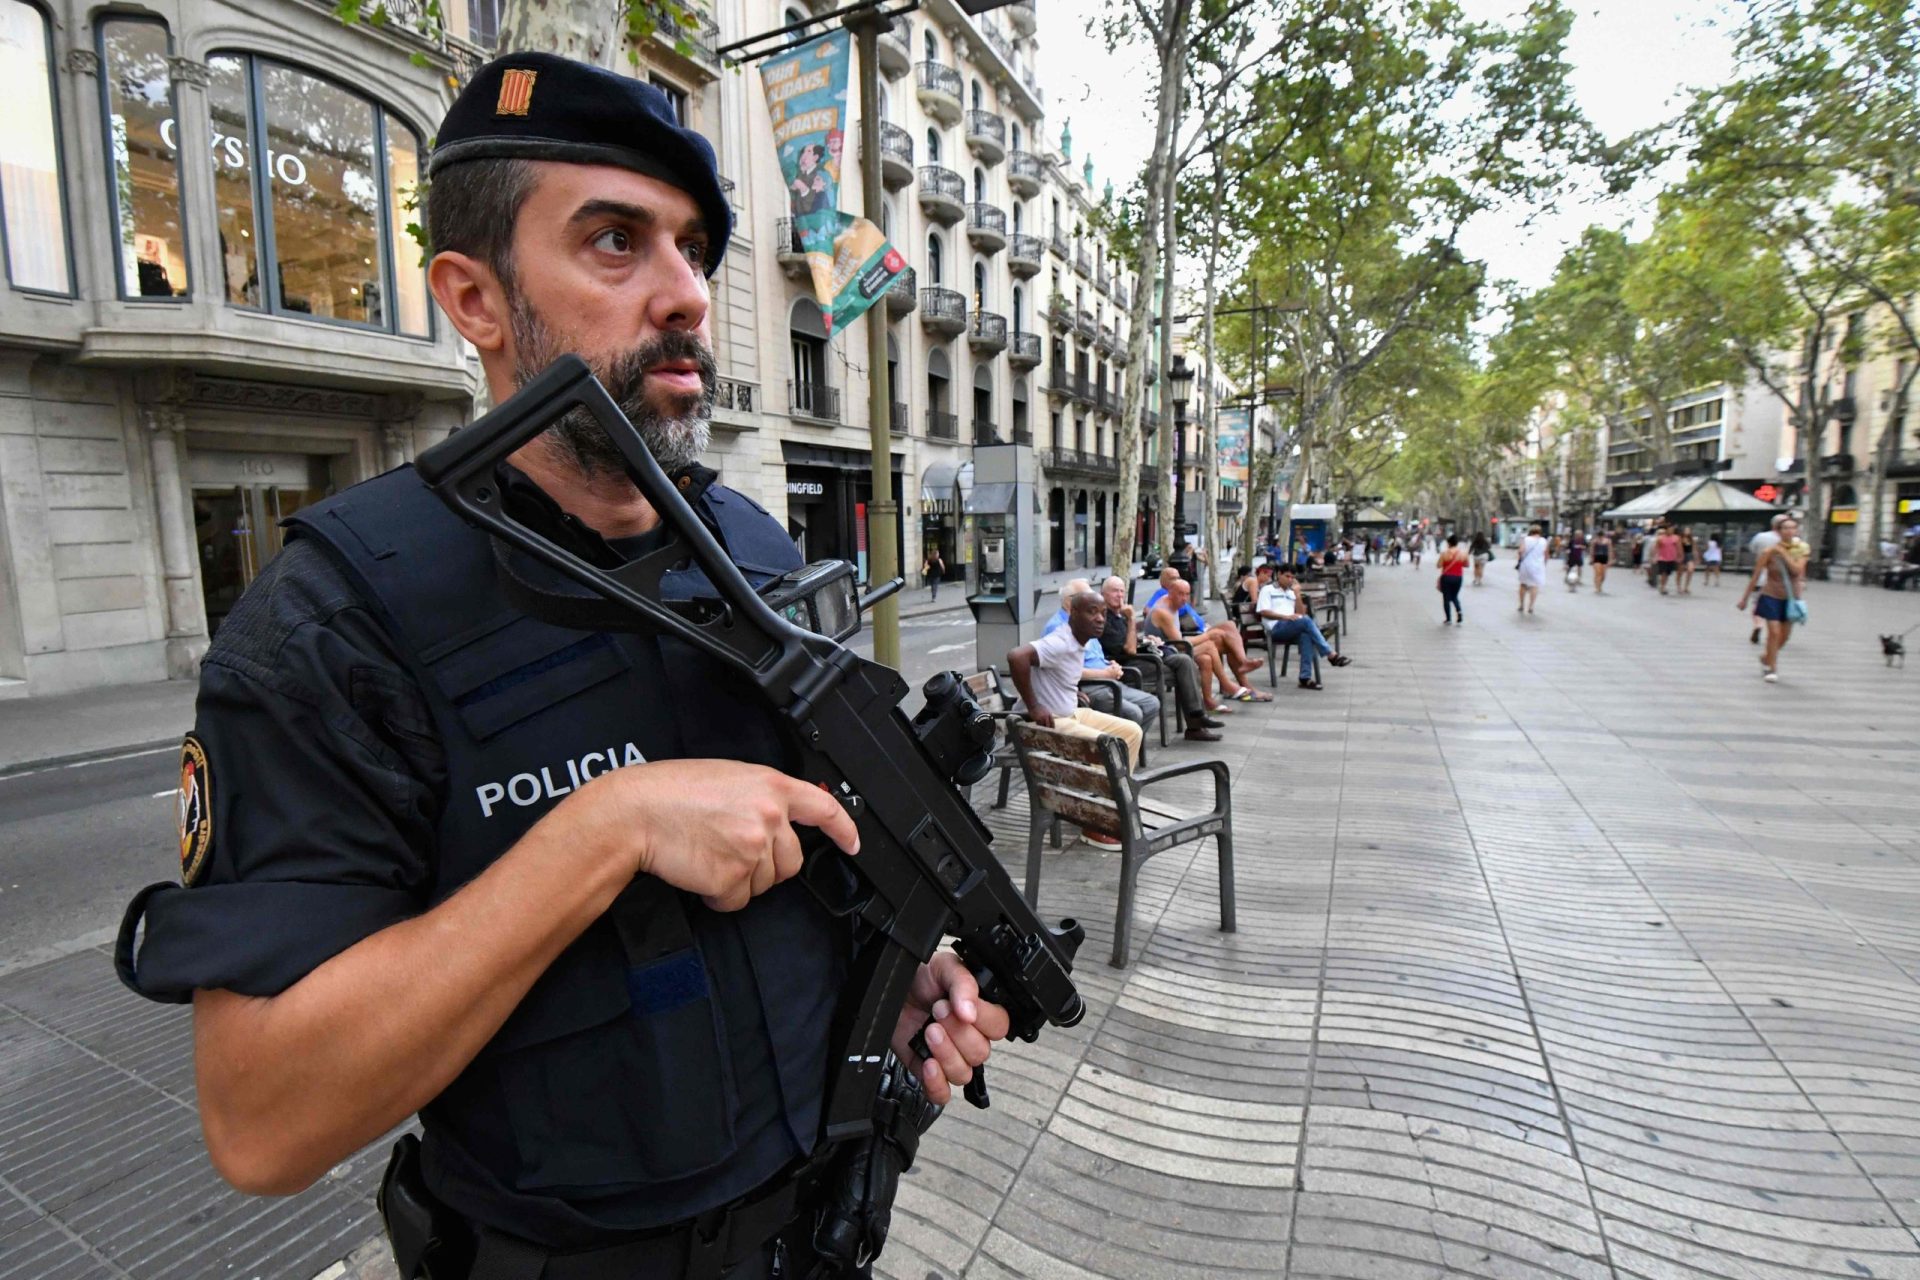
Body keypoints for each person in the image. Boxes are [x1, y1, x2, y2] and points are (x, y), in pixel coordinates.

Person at [113, 55, 1006, 1280]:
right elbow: (262, 1120)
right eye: (613, 242)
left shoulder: (749, 545)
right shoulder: (336, 614)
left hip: (821, 1230)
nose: (686, 292)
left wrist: (892, 983)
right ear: (474, 298)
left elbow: (808, 874)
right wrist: (604, 832)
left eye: (692, 247)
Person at [1007, 591, 1144, 846]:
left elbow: (1053, 671)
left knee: (1132, 732)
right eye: (1092, 612)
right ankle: (1095, 822)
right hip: (1046, 722)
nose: (1100, 619)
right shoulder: (1062, 640)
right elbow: (1017, 657)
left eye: (1103, 613)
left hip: (1069, 711)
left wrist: (1070, 689)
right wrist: (1034, 706)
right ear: (1073, 613)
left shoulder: (1079, 641)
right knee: (1108, 746)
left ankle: (1115, 802)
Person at [1100, 575, 1222, 742]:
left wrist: (1148, 640)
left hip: (1145, 657)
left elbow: (1132, 642)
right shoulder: (1104, 617)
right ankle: (1196, 722)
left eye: (1122, 591)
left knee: (1184, 661)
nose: (1120, 595)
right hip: (1127, 667)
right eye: (1115, 591)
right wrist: (1131, 619)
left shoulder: (1119, 614)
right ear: (1103, 594)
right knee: (1185, 670)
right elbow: (1129, 649)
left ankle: (1197, 716)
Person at [1148, 579, 1271, 705]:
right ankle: (1227, 685)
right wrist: (1208, 635)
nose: (1184, 598)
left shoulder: (1173, 603)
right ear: (1170, 592)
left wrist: (1206, 631)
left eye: (1187, 594)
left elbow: (1187, 626)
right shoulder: (1162, 612)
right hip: (1170, 652)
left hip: (1180, 644)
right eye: (1180, 594)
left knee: (1229, 626)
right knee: (1213, 646)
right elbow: (1179, 643)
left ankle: (1243, 662)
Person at [1737, 516, 1810, 682]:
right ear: (1779, 531)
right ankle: (1772, 668)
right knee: (1774, 633)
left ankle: (1766, 657)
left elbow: (1796, 570)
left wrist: (1783, 552)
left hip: (1790, 598)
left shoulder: (1801, 550)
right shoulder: (1768, 552)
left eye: (1793, 528)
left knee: (1784, 637)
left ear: (1797, 531)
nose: (1789, 531)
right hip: (1771, 594)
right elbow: (1755, 576)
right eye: (1785, 528)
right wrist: (1745, 598)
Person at [1258, 564, 1350, 689]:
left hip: (1291, 627)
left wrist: (1297, 595)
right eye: (1287, 576)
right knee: (1307, 621)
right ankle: (1331, 654)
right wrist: (1285, 617)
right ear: (1279, 574)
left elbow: (1300, 613)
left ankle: (1304, 678)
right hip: (1275, 628)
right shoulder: (1267, 590)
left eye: (1292, 577)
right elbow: (1263, 612)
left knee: (1306, 635)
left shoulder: (1292, 592)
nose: (1290, 580)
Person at [1748, 513, 1789, 642]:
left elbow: (1752, 549)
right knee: (1777, 606)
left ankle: (1758, 624)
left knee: (1757, 603)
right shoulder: (1791, 541)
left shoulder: (1761, 537)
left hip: (1761, 576)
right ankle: (1774, 631)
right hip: (1782, 580)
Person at [1515, 523, 1547, 614]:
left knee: (1523, 584)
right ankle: (1531, 606)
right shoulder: (1543, 541)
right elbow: (1546, 554)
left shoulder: (1526, 539)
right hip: (1538, 566)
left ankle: (1521, 605)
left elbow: (1521, 551)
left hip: (1525, 565)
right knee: (1534, 585)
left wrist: (1520, 558)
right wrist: (1544, 563)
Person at [1437, 534, 1468, 624]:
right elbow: (1467, 564)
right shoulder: (1462, 554)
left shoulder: (1445, 554)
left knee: (1446, 598)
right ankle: (1459, 612)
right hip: (1458, 577)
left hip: (1446, 577)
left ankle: (1448, 619)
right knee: (1454, 596)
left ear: (1449, 543)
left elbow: (1438, 565)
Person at [1652, 523, 1682, 594]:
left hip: (1672, 558)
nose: (1671, 531)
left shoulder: (1676, 538)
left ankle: (1663, 585)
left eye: (1672, 530)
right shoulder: (1660, 538)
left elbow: (1679, 548)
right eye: (1669, 530)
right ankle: (1662, 587)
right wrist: (1654, 557)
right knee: (1663, 573)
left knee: (1668, 573)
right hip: (1662, 558)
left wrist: (1679, 556)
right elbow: (1656, 548)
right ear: (1666, 530)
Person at [1590, 528, 1612, 594]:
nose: (1600, 536)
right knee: (1598, 573)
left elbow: (1610, 550)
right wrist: (1591, 559)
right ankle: (1597, 587)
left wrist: (1610, 560)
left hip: (1605, 558)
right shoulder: (1594, 541)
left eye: (1601, 535)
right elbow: (1592, 550)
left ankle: (1600, 585)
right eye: (1599, 535)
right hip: (1597, 558)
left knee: (1603, 575)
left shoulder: (1608, 541)